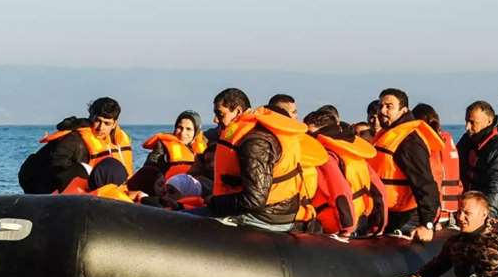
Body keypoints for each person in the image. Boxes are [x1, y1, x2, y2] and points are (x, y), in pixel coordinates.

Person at [210, 98, 325, 232]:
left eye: (220, 114)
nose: (215, 120)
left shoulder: (257, 143)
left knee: (195, 218)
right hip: (285, 213)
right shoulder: (281, 137)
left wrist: (215, 202)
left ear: (238, 112)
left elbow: (254, 200)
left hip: (263, 218)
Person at [369, 88, 443, 241]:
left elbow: (425, 183)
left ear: (403, 110)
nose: (382, 111)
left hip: (405, 218)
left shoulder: (409, 140)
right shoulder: (387, 135)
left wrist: (427, 223)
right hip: (386, 214)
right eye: (381, 106)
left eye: (389, 106)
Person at [18, 97, 133, 193]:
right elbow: (57, 165)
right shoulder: (74, 139)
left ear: (114, 124)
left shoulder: (116, 142)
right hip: (37, 181)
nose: (101, 127)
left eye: (107, 123)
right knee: (84, 170)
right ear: (91, 117)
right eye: (98, 121)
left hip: (72, 181)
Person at [306, 110, 386, 235]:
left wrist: (347, 229)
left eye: (309, 133)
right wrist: (379, 225)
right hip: (361, 218)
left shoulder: (326, 156)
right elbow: (379, 189)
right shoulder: (353, 152)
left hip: (335, 225)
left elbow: (341, 192)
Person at [456, 100, 498, 219]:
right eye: (466, 121)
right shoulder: (469, 138)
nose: (467, 127)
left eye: (472, 122)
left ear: (488, 121)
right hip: (475, 203)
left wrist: (488, 216)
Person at [412, 103, 462, 224]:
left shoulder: (425, 144)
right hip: (449, 214)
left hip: (432, 214)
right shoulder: (447, 140)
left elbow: (433, 178)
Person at [142, 110, 208, 180]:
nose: (183, 133)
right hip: (170, 184)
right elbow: (149, 170)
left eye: (188, 129)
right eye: (180, 127)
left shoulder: (206, 147)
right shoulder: (162, 147)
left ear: (196, 132)